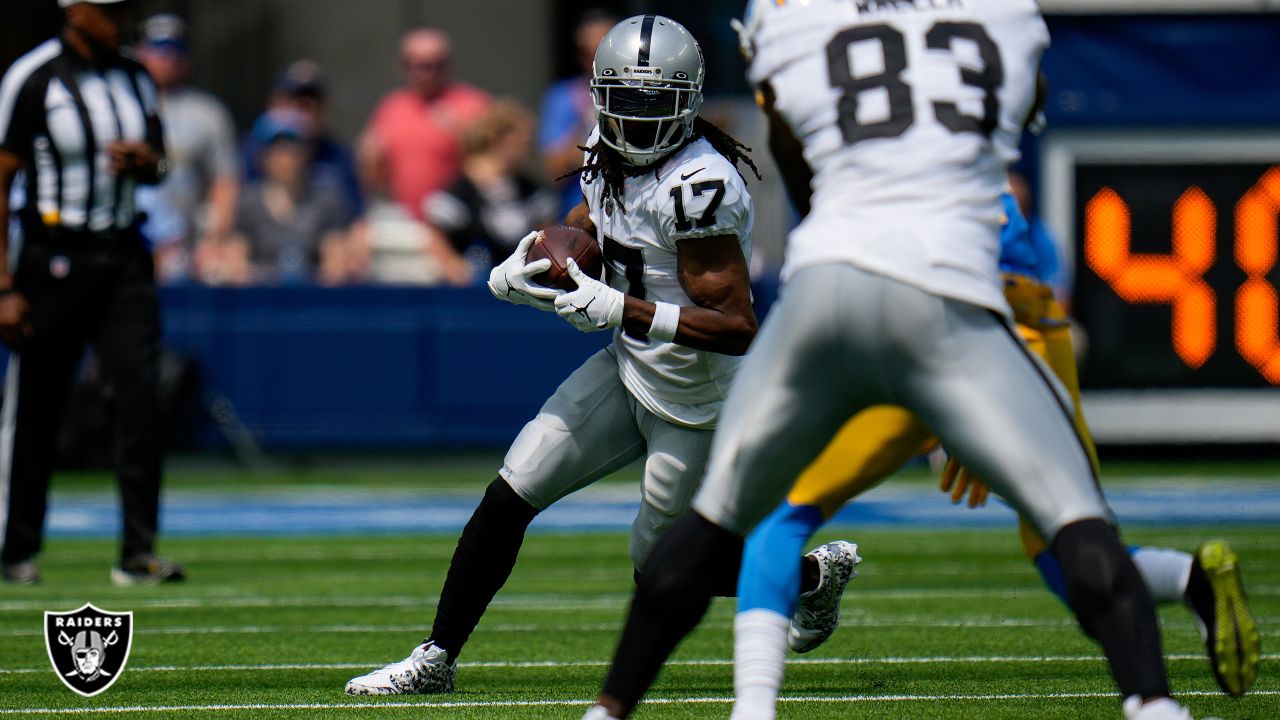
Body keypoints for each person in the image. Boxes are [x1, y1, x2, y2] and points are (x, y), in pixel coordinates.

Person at [582, 2, 1202, 719]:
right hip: (947, 291)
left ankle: (615, 710)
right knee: (1075, 515)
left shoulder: (795, 16)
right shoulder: (1001, 17)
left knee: (716, 519)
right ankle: (1155, 706)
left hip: (830, 280)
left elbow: (790, 144)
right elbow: (1025, 103)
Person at [343, 15, 856, 697]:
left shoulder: (700, 185)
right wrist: (533, 255)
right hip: (627, 365)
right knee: (513, 490)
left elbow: (737, 325)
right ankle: (436, 657)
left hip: (697, 398)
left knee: (659, 567)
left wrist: (621, 309)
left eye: (654, 107)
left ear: (688, 102)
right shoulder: (603, 148)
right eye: (626, 105)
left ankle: (810, 578)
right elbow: (590, 221)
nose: (638, 123)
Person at [729, 187, 1261, 718]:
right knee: (1069, 545)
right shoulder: (970, 153)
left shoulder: (874, 158)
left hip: (941, 327)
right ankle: (1185, 590)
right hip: (1025, 330)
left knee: (785, 511)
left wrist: (965, 404)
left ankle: (752, 709)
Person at [0, 0, 183, 586]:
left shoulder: (134, 75)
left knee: (139, 398)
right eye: (108, 8)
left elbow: (161, 163)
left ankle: (137, 550)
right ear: (75, 11)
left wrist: (147, 162)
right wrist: (3, 283)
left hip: (124, 254)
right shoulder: (33, 78)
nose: (120, 17)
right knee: (37, 404)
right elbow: (0, 179)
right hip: (51, 254)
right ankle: (18, 546)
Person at [133, 13, 240, 284]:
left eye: (175, 49)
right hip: (130, 240)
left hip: (187, 248)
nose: (166, 57)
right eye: (157, 48)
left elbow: (225, 181)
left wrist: (214, 239)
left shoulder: (206, 112)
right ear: (139, 52)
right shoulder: (122, 104)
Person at [359, 28, 490, 222]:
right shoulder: (392, 107)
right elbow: (373, 177)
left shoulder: (473, 105)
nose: (426, 74)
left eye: (435, 65)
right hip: (408, 223)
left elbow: (495, 169)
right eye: (417, 65)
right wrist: (370, 160)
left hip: (462, 223)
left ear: (449, 64)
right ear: (401, 66)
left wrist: (462, 135)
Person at [424, 99, 560, 284]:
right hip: (473, 292)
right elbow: (436, 236)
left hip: (519, 289)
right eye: (522, 143)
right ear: (498, 140)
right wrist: (455, 269)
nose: (528, 152)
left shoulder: (531, 191)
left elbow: (548, 233)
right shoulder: (462, 191)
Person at [226, 113, 352, 285]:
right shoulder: (248, 202)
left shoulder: (326, 201)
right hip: (261, 300)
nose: (285, 158)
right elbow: (236, 262)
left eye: (293, 148)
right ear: (263, 156)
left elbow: (336, 264)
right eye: (277, 149)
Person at [243, 60, 363, 224]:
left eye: (313, 100)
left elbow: (356, 218)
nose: (305, 108)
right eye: (296, 99)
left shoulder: (341, 157)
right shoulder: (252, 151)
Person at [539, 10, 616, 219]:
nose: (594, 59)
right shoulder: (562, 97)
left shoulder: (641, 93)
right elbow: (554, 171)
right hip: (580, 216)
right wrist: (589, 125)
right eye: (586, 51)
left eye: (602, 49)